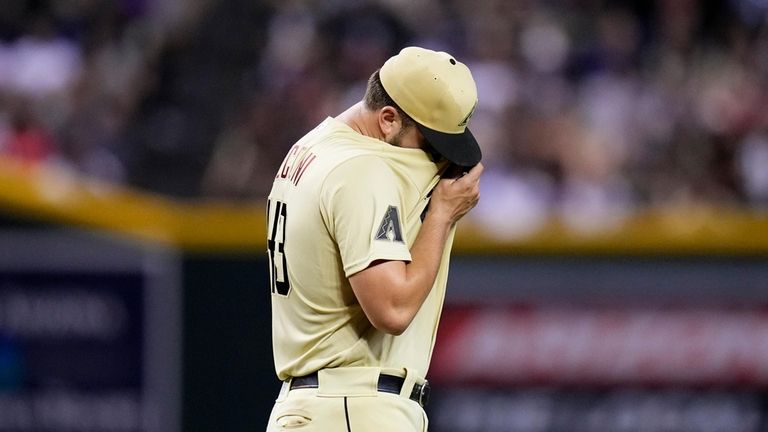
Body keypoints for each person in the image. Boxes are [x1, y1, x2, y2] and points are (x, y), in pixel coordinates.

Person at [265, 46, 484, 431]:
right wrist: (442, 215)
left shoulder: (312, 147)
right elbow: (392, 309)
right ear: (387, 119)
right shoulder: (363, 169)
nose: (437, 158)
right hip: (353, 406)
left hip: (316, 405)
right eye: (430, 144)